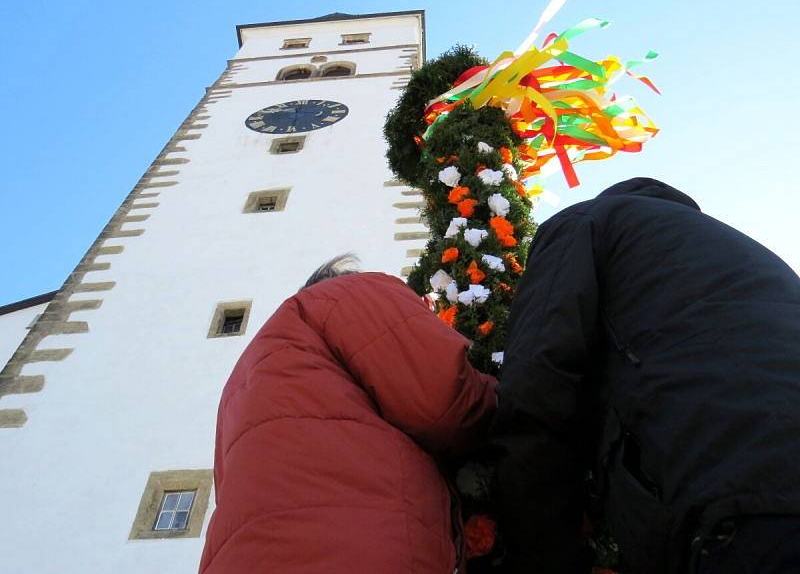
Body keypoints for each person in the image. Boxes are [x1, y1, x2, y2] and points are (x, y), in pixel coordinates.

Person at [490, 178, 800, 574]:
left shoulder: (589, 221)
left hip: (739, 507)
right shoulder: (740, 250)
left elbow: (537, 379)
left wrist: (542, 554)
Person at [199, 255, 497, 573]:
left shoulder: (237, 387)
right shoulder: (345, 294)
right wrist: (504, 392)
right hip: (359, 549)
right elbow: (443, 402)